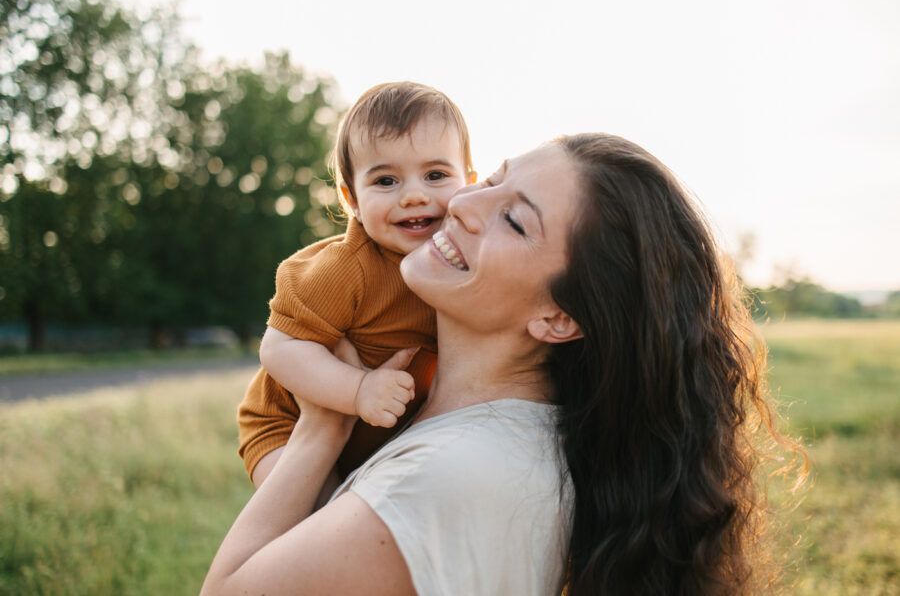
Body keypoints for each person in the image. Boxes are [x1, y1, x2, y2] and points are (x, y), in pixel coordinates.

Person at [203, 133, 805, 595]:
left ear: (559, 318)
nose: (464, 204)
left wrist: (318, 429)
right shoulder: (497, 434)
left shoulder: (455, 474)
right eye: (491, 178)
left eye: (515, 219)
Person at [237, 82, 477, 485]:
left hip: (378, 434)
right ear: (351, 200)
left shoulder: (468, 257)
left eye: (436, 175)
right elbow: (279, 348)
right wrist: (358, 389)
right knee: (311, 519)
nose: (414, 196)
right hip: (286, 426)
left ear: (469, 182)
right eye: (386, 182)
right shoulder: (346, 268)